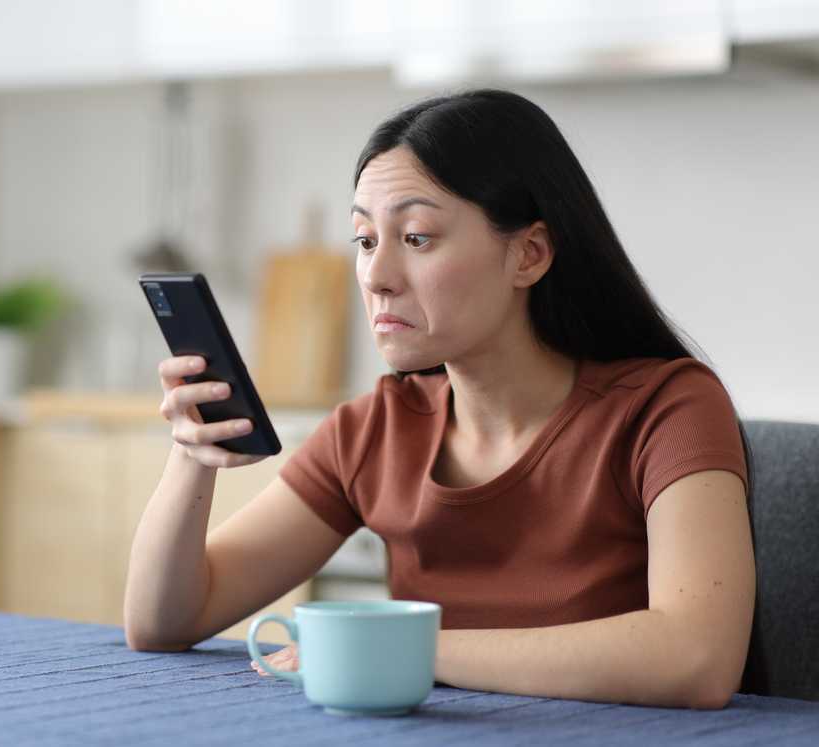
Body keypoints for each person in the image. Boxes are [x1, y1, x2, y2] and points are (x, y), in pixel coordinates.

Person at [123, 89, 755, 711]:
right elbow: (165, 621)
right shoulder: (377, 430)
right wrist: (191, 455)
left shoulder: (668, 410)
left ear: (529, 254)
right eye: (366, 240)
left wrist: (413, 652)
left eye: (418, 237)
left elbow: (696, 658)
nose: (375, 276)